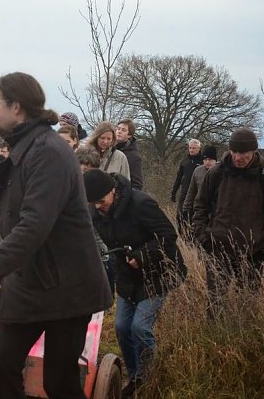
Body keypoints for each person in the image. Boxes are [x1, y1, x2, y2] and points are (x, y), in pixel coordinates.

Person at [0, 72, 111, 399]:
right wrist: (4, 270)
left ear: (16, 107)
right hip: (31, 283)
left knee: (59, 382)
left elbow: (34, 225)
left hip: (68, 287)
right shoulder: (25, 150)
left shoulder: (49, 153)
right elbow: (15, 223)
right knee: (3, 364)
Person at [84, 170, 186, 397]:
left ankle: (149, 378)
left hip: (157, 274)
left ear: (113, 190)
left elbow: (168, 236)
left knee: (140, 327)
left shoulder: (141, 204)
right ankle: (134, 376)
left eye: (101, 201)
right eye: (93, 203)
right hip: (127, 277)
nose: (98, 206)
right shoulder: (95, 212)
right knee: (121, 327)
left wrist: (142, 256)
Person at [191, 128, 264, 318]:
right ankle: (214, 335)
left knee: (247, 308)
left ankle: (245, 336)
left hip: (252, 253)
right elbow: (200, 206)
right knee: (215, 308)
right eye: (234, 152)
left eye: (243, 153)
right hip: (217, 249)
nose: (238, 157)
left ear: (254, 151)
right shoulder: (217, 173)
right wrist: (203, 238)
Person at [181, 145, 218, 239]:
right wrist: (185, 208)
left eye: (210, 160)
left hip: (216, 209)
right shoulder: (198, 171)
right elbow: (191, 191)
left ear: (215, 160)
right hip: (200, 208)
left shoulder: (221, 171)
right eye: (205, 159)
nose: (207, 162)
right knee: (198, 234)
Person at [171, 139, 204, 237]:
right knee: (180, 216)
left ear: (199, 149)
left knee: (194, 218)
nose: (191, 150)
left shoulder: (203, 162)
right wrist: (173, 192)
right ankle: (183, 237)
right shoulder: (184, 162)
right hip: (184, 193)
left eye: (194, 148)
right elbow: (178, 178)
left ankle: (194, 238)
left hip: (198, 194)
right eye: (190, 148)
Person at [115, 119, 143, 190]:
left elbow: (137, 184)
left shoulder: (134, 156)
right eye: (118, 129)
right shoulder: (109, 150)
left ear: (129, 135)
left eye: (123, 130)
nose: (119, 132)